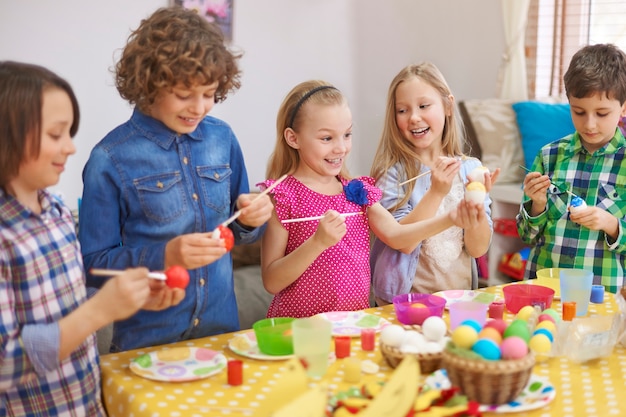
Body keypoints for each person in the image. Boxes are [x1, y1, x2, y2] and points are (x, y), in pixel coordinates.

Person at [78, 7, 273, 352]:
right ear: (149, 83)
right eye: (184, 95)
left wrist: (250, 219)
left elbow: (241, 232)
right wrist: (165, 255)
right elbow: (92, 267)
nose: (199, 108)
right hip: (147, 345)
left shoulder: (222, 139)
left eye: (210, 94)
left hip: (221, 336)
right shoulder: (109, 159)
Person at [0, 61, 177, 415]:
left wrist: (130, 298)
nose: (70, 148)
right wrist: (100, 310)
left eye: (70, 133)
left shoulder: (57, 212)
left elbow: (69, 305)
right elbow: (6, 364)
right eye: (55, 134)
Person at [259, 80, 476, 318]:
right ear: (293, 138)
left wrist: (451, 218)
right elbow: (271, 281)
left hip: (354, 328)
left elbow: (397, 236)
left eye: (347, 134)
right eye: (326, 138)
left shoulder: (357, 192)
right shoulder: (281, 197)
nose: (341, 148)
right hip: (299, 332)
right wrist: (317, 243)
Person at [369, 63, 497, 305]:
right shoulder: (392, 175)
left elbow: (478, 249)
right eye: (402, 110)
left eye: (424, 106)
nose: (414, 117)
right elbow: (404, 243)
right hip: (404, 305)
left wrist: (476, 208)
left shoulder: (471, 169)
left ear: (448, 106)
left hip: (457, 301)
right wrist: (436, 192)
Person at [516, 43, 626, 293]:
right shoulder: (549, 156)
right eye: (579, 112)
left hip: (603, 296)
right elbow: (527, 235)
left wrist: (611, 224)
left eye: (601, 113)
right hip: (545, 291)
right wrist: (537, 205)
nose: (589, 124)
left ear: (623, 107)